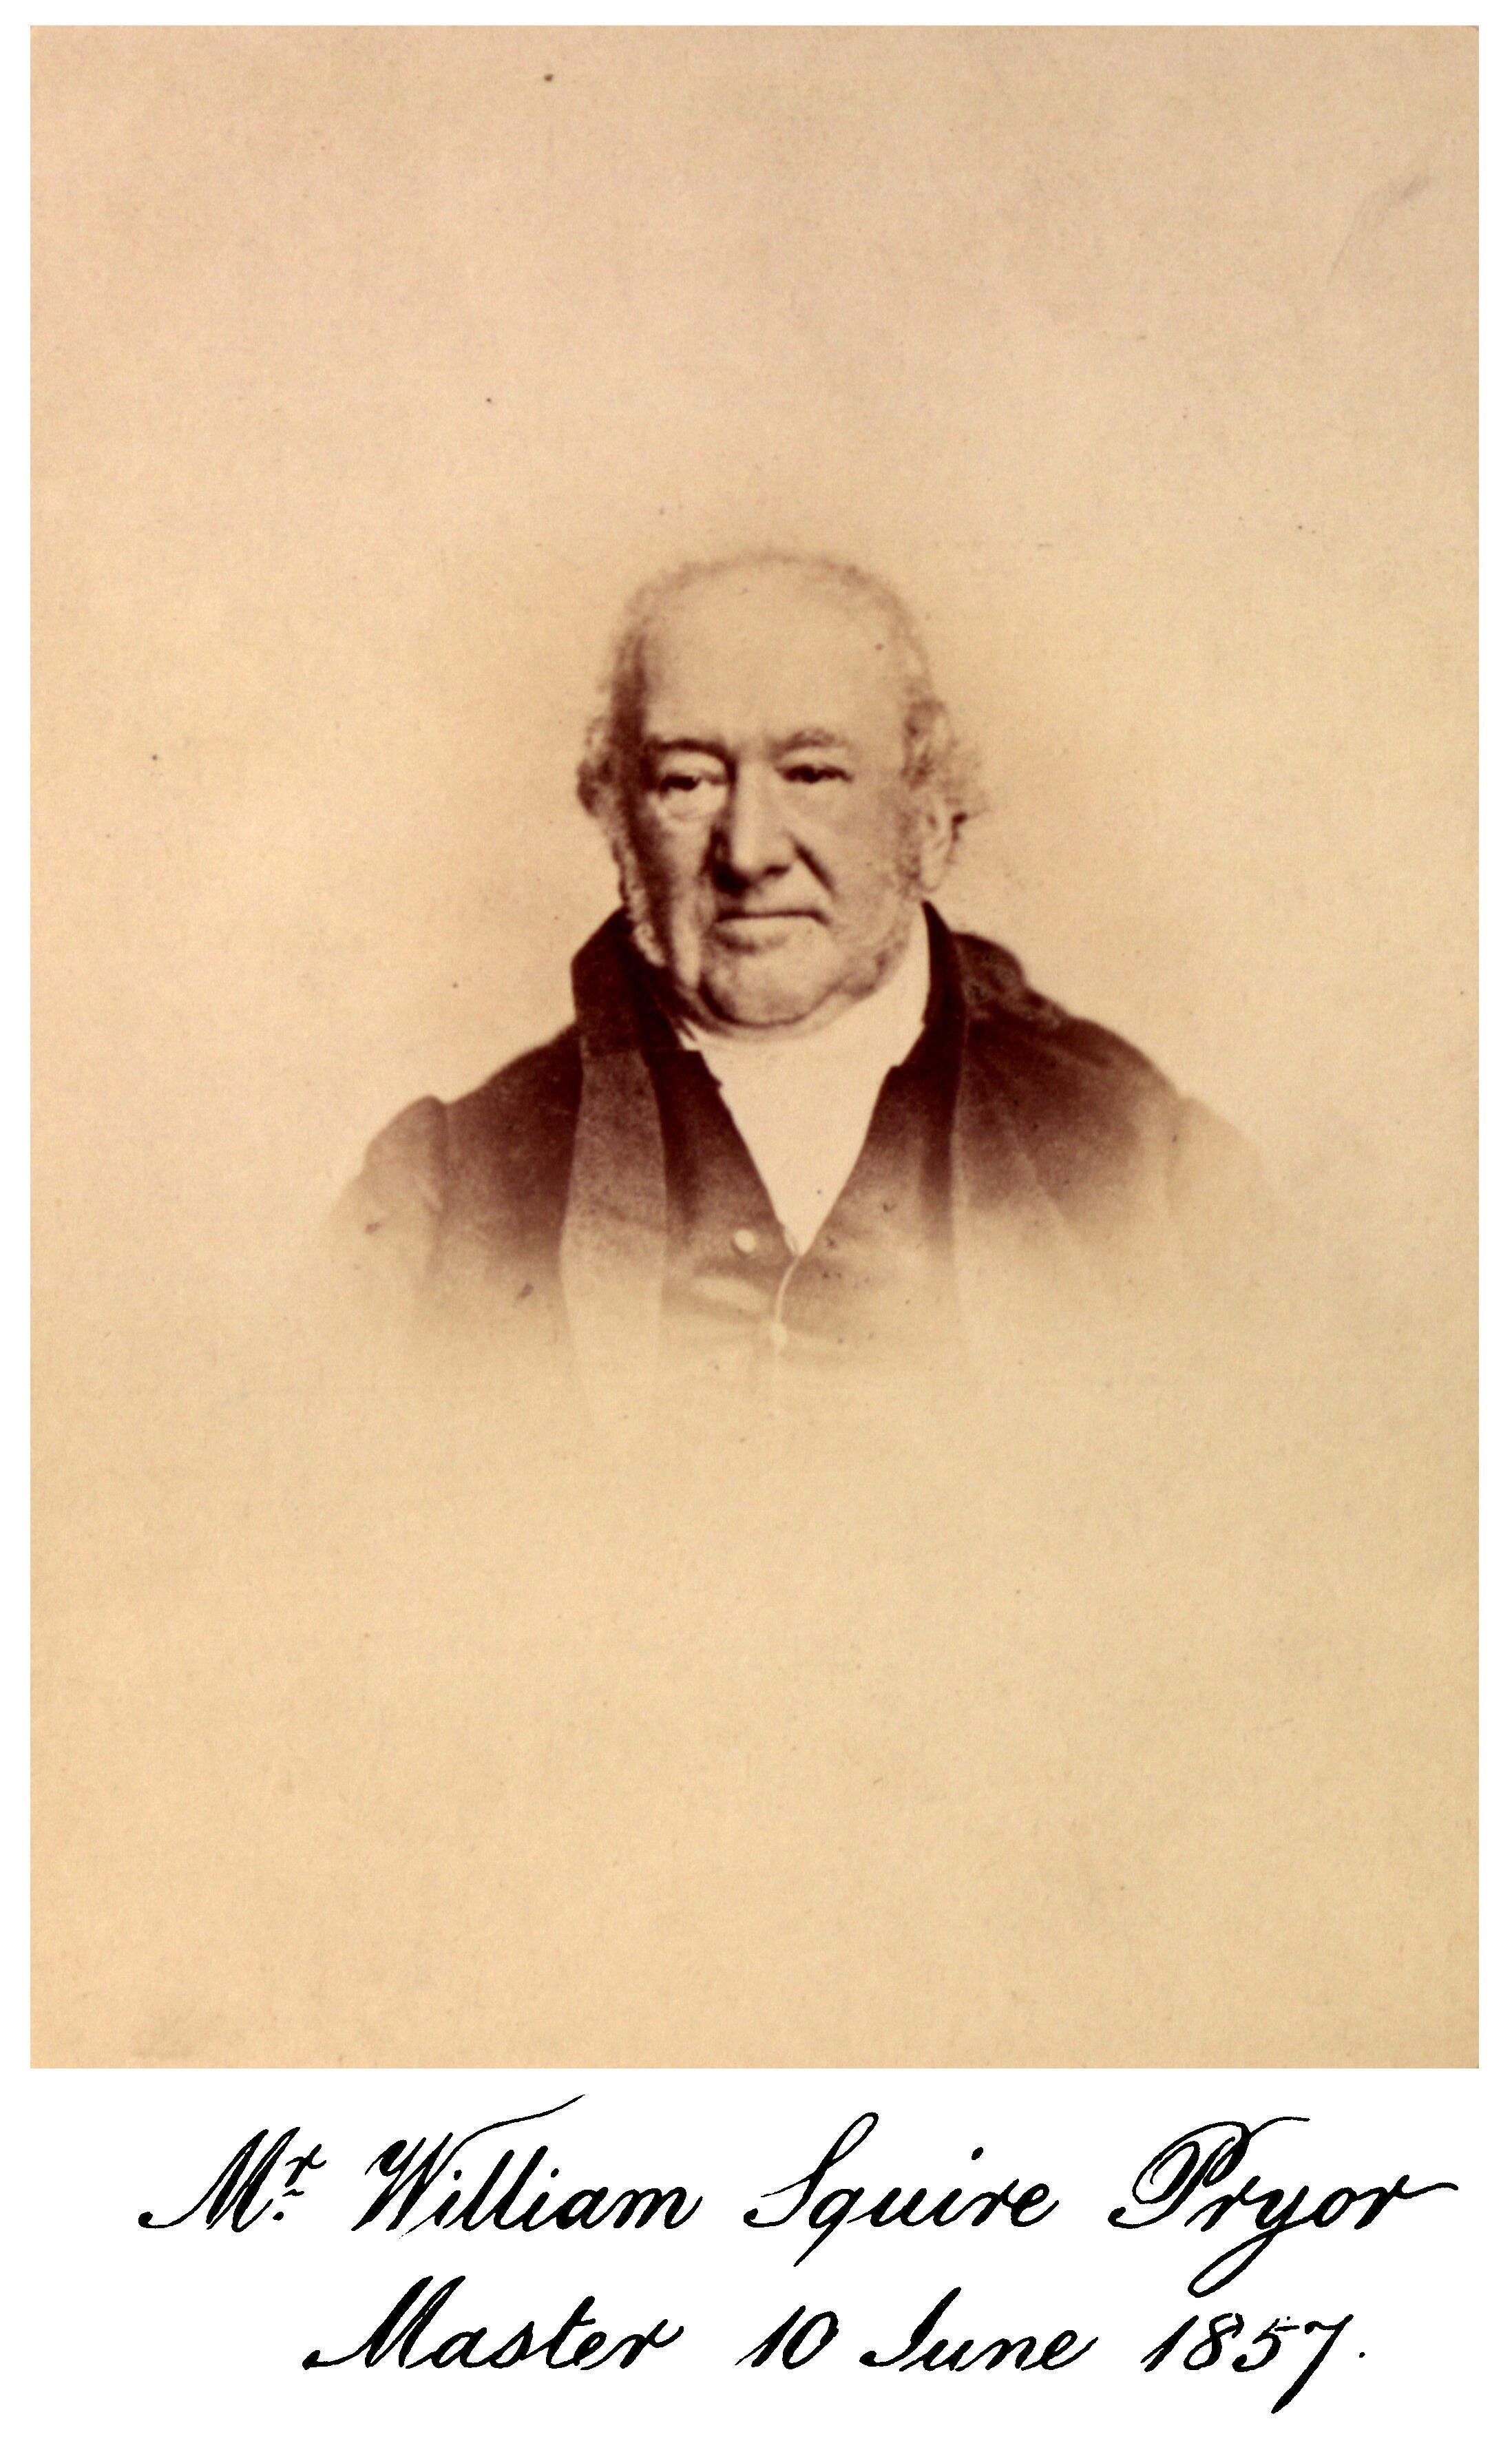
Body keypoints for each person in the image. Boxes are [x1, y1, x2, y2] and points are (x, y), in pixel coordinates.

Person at [333, 553, 1263, 1419]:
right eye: (688, 781)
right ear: (618, 820)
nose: (748, 853)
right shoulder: (434, 1193)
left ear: (928, 816)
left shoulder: (1160, 1172)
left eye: (812, 772)